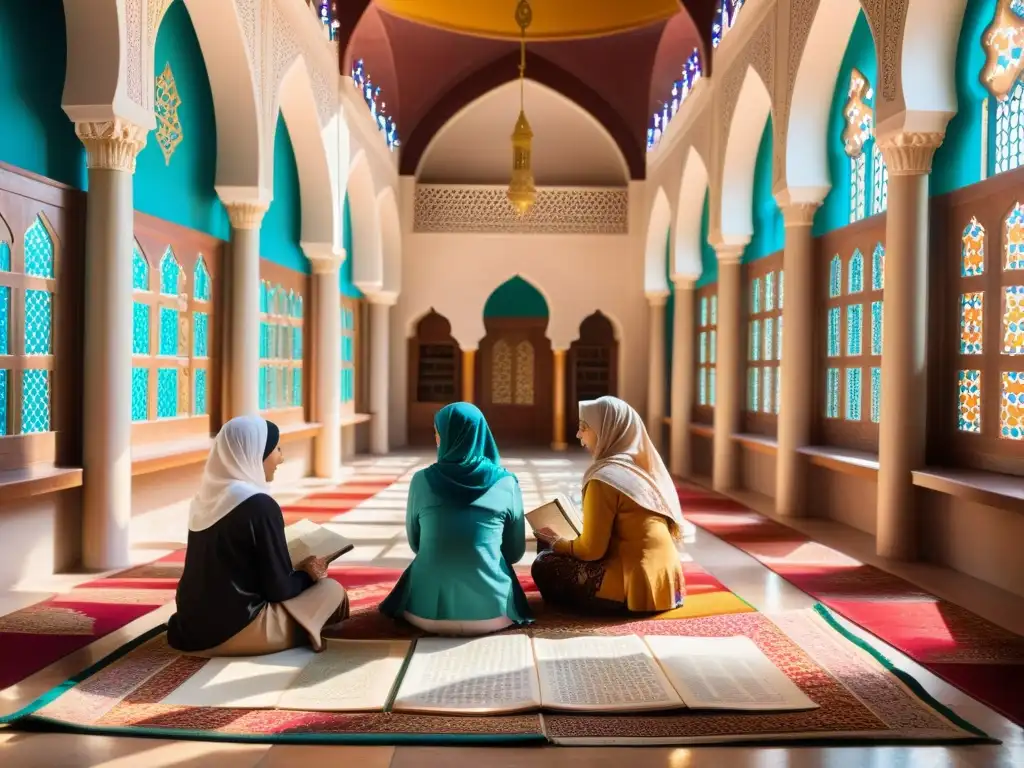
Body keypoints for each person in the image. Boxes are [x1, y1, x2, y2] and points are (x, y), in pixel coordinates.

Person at [167, 415, 348, 656]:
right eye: (276, 449)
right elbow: (279, 590)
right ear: (253, 452)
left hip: (190, 630)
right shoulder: (259, 505)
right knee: (332, 590)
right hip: (235, 631)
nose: (280, 459)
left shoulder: (202, 500)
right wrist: (308, 574)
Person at [380, 402, 533, 635]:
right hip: (495, 613)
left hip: (424, 613)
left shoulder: (421, 480)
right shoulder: (506, 483)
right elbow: (515, 552)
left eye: (437, 434)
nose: (437, 440)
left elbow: (416, 545)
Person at [531, 396, 685, 614]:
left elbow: (592, 550)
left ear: (608, 430)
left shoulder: (604, 478)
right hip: (666, 583)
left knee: (543, 562)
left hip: (630, 586)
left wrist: (557, 542)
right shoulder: (639, 469)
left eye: (584, 428)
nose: (578, 435)